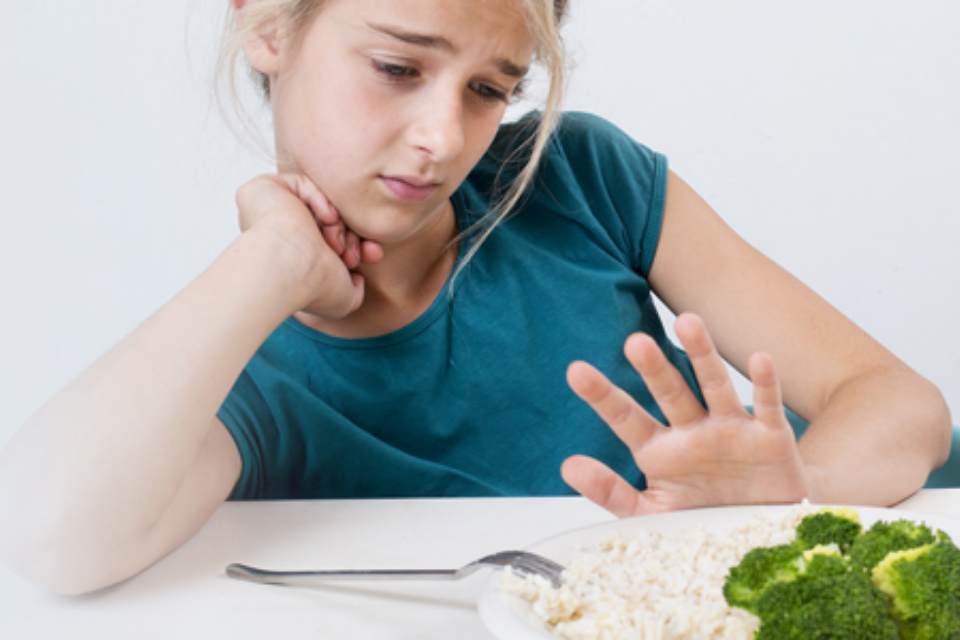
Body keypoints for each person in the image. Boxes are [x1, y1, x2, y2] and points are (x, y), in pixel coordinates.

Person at [0, 0, 950, 596]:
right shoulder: (240, 359)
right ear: (267, 25)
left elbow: (902, 405)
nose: (442, 137)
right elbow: (50, 540)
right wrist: (270, 259)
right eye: (398, 68)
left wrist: (794, 498)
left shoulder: (580, 179)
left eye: (489, 88)